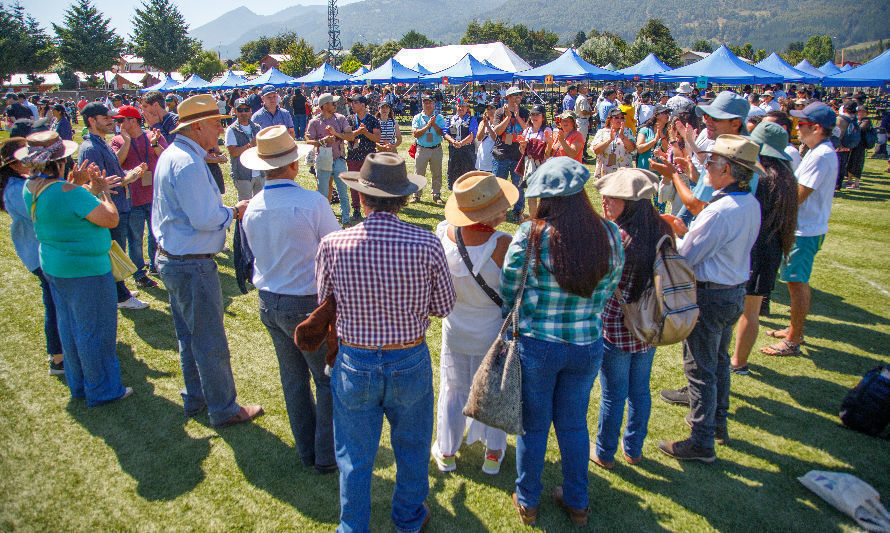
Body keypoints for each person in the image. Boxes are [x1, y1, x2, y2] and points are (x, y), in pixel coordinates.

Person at [315, 152, 455, 533]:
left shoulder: (332, 244)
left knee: (354, 455)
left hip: (354, 360)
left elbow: (324, 303)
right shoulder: (427, 243)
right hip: (408, 356)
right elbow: (443, 307)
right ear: (405, 198)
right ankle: (408, 519)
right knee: (411, 448)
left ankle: (352, 526)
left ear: (361, 197)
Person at [504, 157, 623, 527]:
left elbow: (510, 289)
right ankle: (577, 502)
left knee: (535, 426)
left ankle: (528, 501)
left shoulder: (531, 234)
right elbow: (610, 286)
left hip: (538, 344)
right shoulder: (610, 233)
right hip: (586, 343)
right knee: (573, 425)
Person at [152, 94, 264, 427]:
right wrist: (234, 212)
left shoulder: (177, 156)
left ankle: (197, 397)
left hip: (176, 259)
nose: (221, 128)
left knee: (189, 336)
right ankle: (224, 408)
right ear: (198, 126)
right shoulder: (186, 162)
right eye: (217, 123)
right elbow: (204, 217)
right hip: (191, 263)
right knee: (209, 341)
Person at [654, 135, 761, 463]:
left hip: (711, 294)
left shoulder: (720, 210)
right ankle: (716, 424)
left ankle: (701, 439)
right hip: (733, 291)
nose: (706, 166)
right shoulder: (749, 203)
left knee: (699, 367)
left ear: (727, 169)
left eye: (712, 162)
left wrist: (675, 231)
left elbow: (688, 256)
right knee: (717, 361)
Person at [240, 125, 340, 473]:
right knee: (326, 380)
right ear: (294, 165)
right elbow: (336, 250)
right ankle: (325, 455)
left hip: (270, 299)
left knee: (293, 380)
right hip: (305, 301)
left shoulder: (252, 207)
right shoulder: (312, 202)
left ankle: (308, 451)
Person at [20, 131, 133, 405]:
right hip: (86, 271)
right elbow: (110, 219)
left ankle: (80, 383)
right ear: (60, 160)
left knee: (70, 329)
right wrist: (102, 191)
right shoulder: (67, 192)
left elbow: (70, 208)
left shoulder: (32, 187)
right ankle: (103, 388)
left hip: (57, 267)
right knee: (96, 330)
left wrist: (83, 188)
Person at [432, 171, 517, 476]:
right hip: (491, 333)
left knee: (453, 390)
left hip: (455, 329)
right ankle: (493, 454)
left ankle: (447, 449)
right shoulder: (504, 243)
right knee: (492, 391)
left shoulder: (444, 233)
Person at [591, 168, 673, 469]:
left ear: (631, 203)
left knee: (614, 394)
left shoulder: (617, 238)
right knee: (639, 391)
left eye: (612, 198)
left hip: (616, 326)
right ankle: (633, 448)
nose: (604, 201)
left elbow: (599, 286)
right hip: (650, 324)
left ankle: (604, 452)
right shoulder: (663, 230)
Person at [760, 103, 838, 357]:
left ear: (816, 128)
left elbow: (798, 195)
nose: (797, 130)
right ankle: (794, 329)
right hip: (804, 227)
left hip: (805, 230)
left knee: (796, 282)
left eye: (802, 125)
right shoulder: (819, 152)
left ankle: (793, 339)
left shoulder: (821, 155)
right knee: (794, 281)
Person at [728, 122, 798, 374]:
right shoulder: (787, 177)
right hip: (771, 250)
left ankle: (738, 361)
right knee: (751, 309)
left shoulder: (760, 177)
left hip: (754, 250)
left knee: (745, 311)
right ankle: (738, 359)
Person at [0, 137, 63, 375]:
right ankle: (58, 356)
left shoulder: (24, 183)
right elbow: (45, 213)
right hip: (40, 254)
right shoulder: (17, 189)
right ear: (14, 164)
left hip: (43, 251)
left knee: (57, 302)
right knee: (55, 304)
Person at [79, 102, 149, 310]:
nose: (111, 121)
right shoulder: (91, 147)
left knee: (117, 249)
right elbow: (102, 184)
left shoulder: (101, 143)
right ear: (91, 121)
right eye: (106, 118)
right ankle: (120, 296)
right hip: (110, 207)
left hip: (118, 205)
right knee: (113, 250)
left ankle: (120, 290)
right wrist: (130, 177)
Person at [110, 105, 167, 285]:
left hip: (154, 195)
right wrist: (126, 142)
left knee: (155, 233)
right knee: (135, 238)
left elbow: (166, 157)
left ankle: (154, 265)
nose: (118, 124)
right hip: (132, 198)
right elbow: (116, 162)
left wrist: (155, 144)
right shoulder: (117, 140)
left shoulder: (153, 135)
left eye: (121, 120)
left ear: (133, 120)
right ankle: (139, 275)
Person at [305, 93, 351, 225]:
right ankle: (324, 219)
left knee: (342, 191)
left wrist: (336, 134)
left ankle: (346, 218)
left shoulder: (341, 118)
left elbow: (350, 136)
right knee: (322, 193)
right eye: (333, 103)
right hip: (323, 159)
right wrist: (322, 141)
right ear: (325, 106)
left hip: (339, 159)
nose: (336, 105)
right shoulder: (314, 122)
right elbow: (308, 141)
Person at [491, 86, 529, 220]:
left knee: (518, 185)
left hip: (518, 156)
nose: (518, 97)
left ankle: (518, 211)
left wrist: (518, 117)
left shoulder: (524, 112)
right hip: (501, 154)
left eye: (519, 94)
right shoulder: (500, 112)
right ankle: (497, 210)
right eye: (514, 95)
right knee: (498, 184)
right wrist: (507, 118)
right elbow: (498, 131)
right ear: (508, 98)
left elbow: (527, 131)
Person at [343, 95, 381, 219]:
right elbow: (346, 135)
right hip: (353, 156)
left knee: (369, 184)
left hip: (369, 157)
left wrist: (366, 133)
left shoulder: (373, 119)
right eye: (351, 103)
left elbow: (377, 138)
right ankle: (356, 210)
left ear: (363, 105)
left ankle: (371, 210)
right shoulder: (348, 119)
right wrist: (358, 132)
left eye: (355, 103)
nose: (352, 105)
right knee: (354, 184)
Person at [411, 93, 448, 204]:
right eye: (425, 103)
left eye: (430, 103)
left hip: (436, 148)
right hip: (422, 149)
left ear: (434, 104)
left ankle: (436, 194)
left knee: (436, 172)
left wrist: (433, 124)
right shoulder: (417, 118)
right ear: (422, 105)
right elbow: (415, 134)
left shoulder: (440, 117)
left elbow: (442, 132)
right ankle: (416, 195)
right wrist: (427, 126)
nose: (428, 105)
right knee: (419, 173)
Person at [225, 98, 264, 201]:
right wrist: (250, 145)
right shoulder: (231, 130)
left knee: (260, 205)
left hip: (259, 172)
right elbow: (233, 152)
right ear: (235, 112)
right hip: (243, 175)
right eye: (240, 110)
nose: (243, 113)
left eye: (246, 110)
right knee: (245, 206)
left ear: (251, 110)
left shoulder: (257, 128)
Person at [591, 107, 636, 178]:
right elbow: (596, 150)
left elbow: (632, 149)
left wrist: (622, 136)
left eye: (622, 118)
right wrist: (609, 140)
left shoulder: (628, 131)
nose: (620, 120)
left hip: (624, 171)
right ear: (610, 119)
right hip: (607, 172)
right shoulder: (602, 132)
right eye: (616, 117)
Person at [444, 98, 478, 190]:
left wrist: (461, 143)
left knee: (468, 172)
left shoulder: (472, 119)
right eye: (459, 106)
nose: (461, 108)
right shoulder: (450, 118)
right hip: (454, 150)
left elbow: (472, 134)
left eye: (463, 106)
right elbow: (446, 133)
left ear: (467, 108)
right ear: (456, 107)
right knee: (453, 171)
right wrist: (453, 141)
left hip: (467, 150)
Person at [636, 104, 670, 170]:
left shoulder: (669, 131)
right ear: (657, 115)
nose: (667, 115)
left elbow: (668, 151)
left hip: (662, 170)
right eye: (665, 113)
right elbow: (639, 149)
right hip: (645, 169)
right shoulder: (645, 130)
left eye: (668, 113)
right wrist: (654, 140)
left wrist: (662, 136)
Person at [845, 106, 870, 189]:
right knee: (850, 162)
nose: (861, 113)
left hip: (860, 146)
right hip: (853, 145)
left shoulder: (866, 121)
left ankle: (856, 183)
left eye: (863, 112)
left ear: (866, 113)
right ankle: (849, 180)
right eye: (859, 112)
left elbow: (860, 129)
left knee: (857, 164)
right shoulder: (856, 121)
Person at [475, 102, 498, 172]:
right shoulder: (483, 122)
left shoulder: (499, 123)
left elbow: (496, 139)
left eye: (492, 108)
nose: (489, 111)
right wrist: (484, 125)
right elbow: (479, 138)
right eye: (488, 109)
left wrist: (488, 126)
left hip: (494, 156)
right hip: (483, 156)